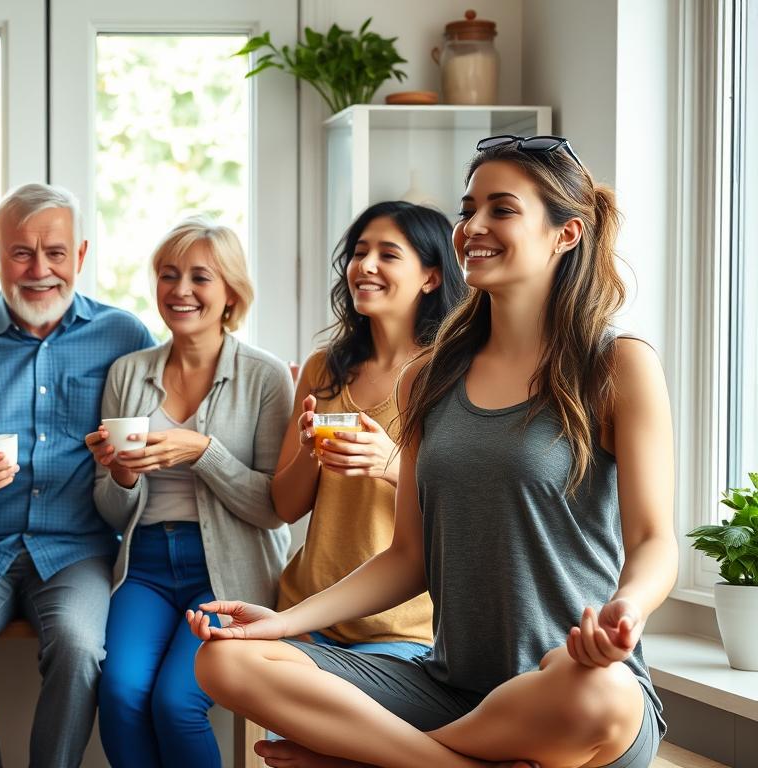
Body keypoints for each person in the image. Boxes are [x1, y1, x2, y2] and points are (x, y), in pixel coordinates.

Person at [189, 135, 675, 768]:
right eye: (468, 209)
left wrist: (625, 611)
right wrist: (280, 623)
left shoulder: (616, 365)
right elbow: (407, 556)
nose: (472, 226)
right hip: (451, 692)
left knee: (599, 698)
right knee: (226, 658)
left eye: (502, 209)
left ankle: (376, 758)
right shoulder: (430, 376)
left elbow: (653, 540)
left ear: (566, 234)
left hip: (571, 685)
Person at [0, 183, 154, 767]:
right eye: (22, 253)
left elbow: (150, 455)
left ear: (80, 256)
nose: (40, 270)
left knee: (79, 647)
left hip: (79, 548)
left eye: (56, 253)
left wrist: (126, 469)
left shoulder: (125, 337)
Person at [85, 217, 292, 768]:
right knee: (122, 695)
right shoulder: (128, 373)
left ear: (230, 292)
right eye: (168, 275)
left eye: (200, 277)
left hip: (227, 570)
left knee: (177, 703)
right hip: (145, 567)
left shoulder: (266, 377)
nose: (180, 291)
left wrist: (203, 451)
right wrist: (123, 475)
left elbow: (273, 508)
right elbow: (108, 505)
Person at [271, 201, 465, 663]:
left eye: (389, 254)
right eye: (360, 252)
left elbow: (469, 504)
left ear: (431, 276)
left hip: (402, 628)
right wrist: (307, 451)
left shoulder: (453, 374)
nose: (366, 265)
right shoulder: (324, 367)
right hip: (307, 614)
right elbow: (285, 507)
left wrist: (393, 465)